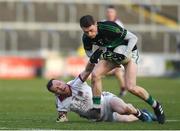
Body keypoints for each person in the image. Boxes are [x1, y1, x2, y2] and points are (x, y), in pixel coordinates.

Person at [79, 15, 165, 124]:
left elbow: (133, 38)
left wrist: (125, 54)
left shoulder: (108, 27)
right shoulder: (86, 37)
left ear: (96, 24)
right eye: (86, 32)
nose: (89, 34)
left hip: (129, 52)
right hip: (112, 54)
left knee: (131, 87)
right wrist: (95, 56)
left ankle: (156, 105)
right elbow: (89, 52)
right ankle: (96, 109)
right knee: (95, 74)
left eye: (91, 30)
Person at [46, 50, 156, 122]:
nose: (60, 87)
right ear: (56, 93)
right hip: (98, 118)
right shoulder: (60, 102)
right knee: (127, 119)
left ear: (61, 81)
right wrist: (62, 118)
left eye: (59, 84)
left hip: (106, 101)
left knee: (124, 109)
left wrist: (92, 59)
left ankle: (140, 113)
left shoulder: (75, 84)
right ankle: (144, 113)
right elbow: (63, 116)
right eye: (57, 88)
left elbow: (87, 70)